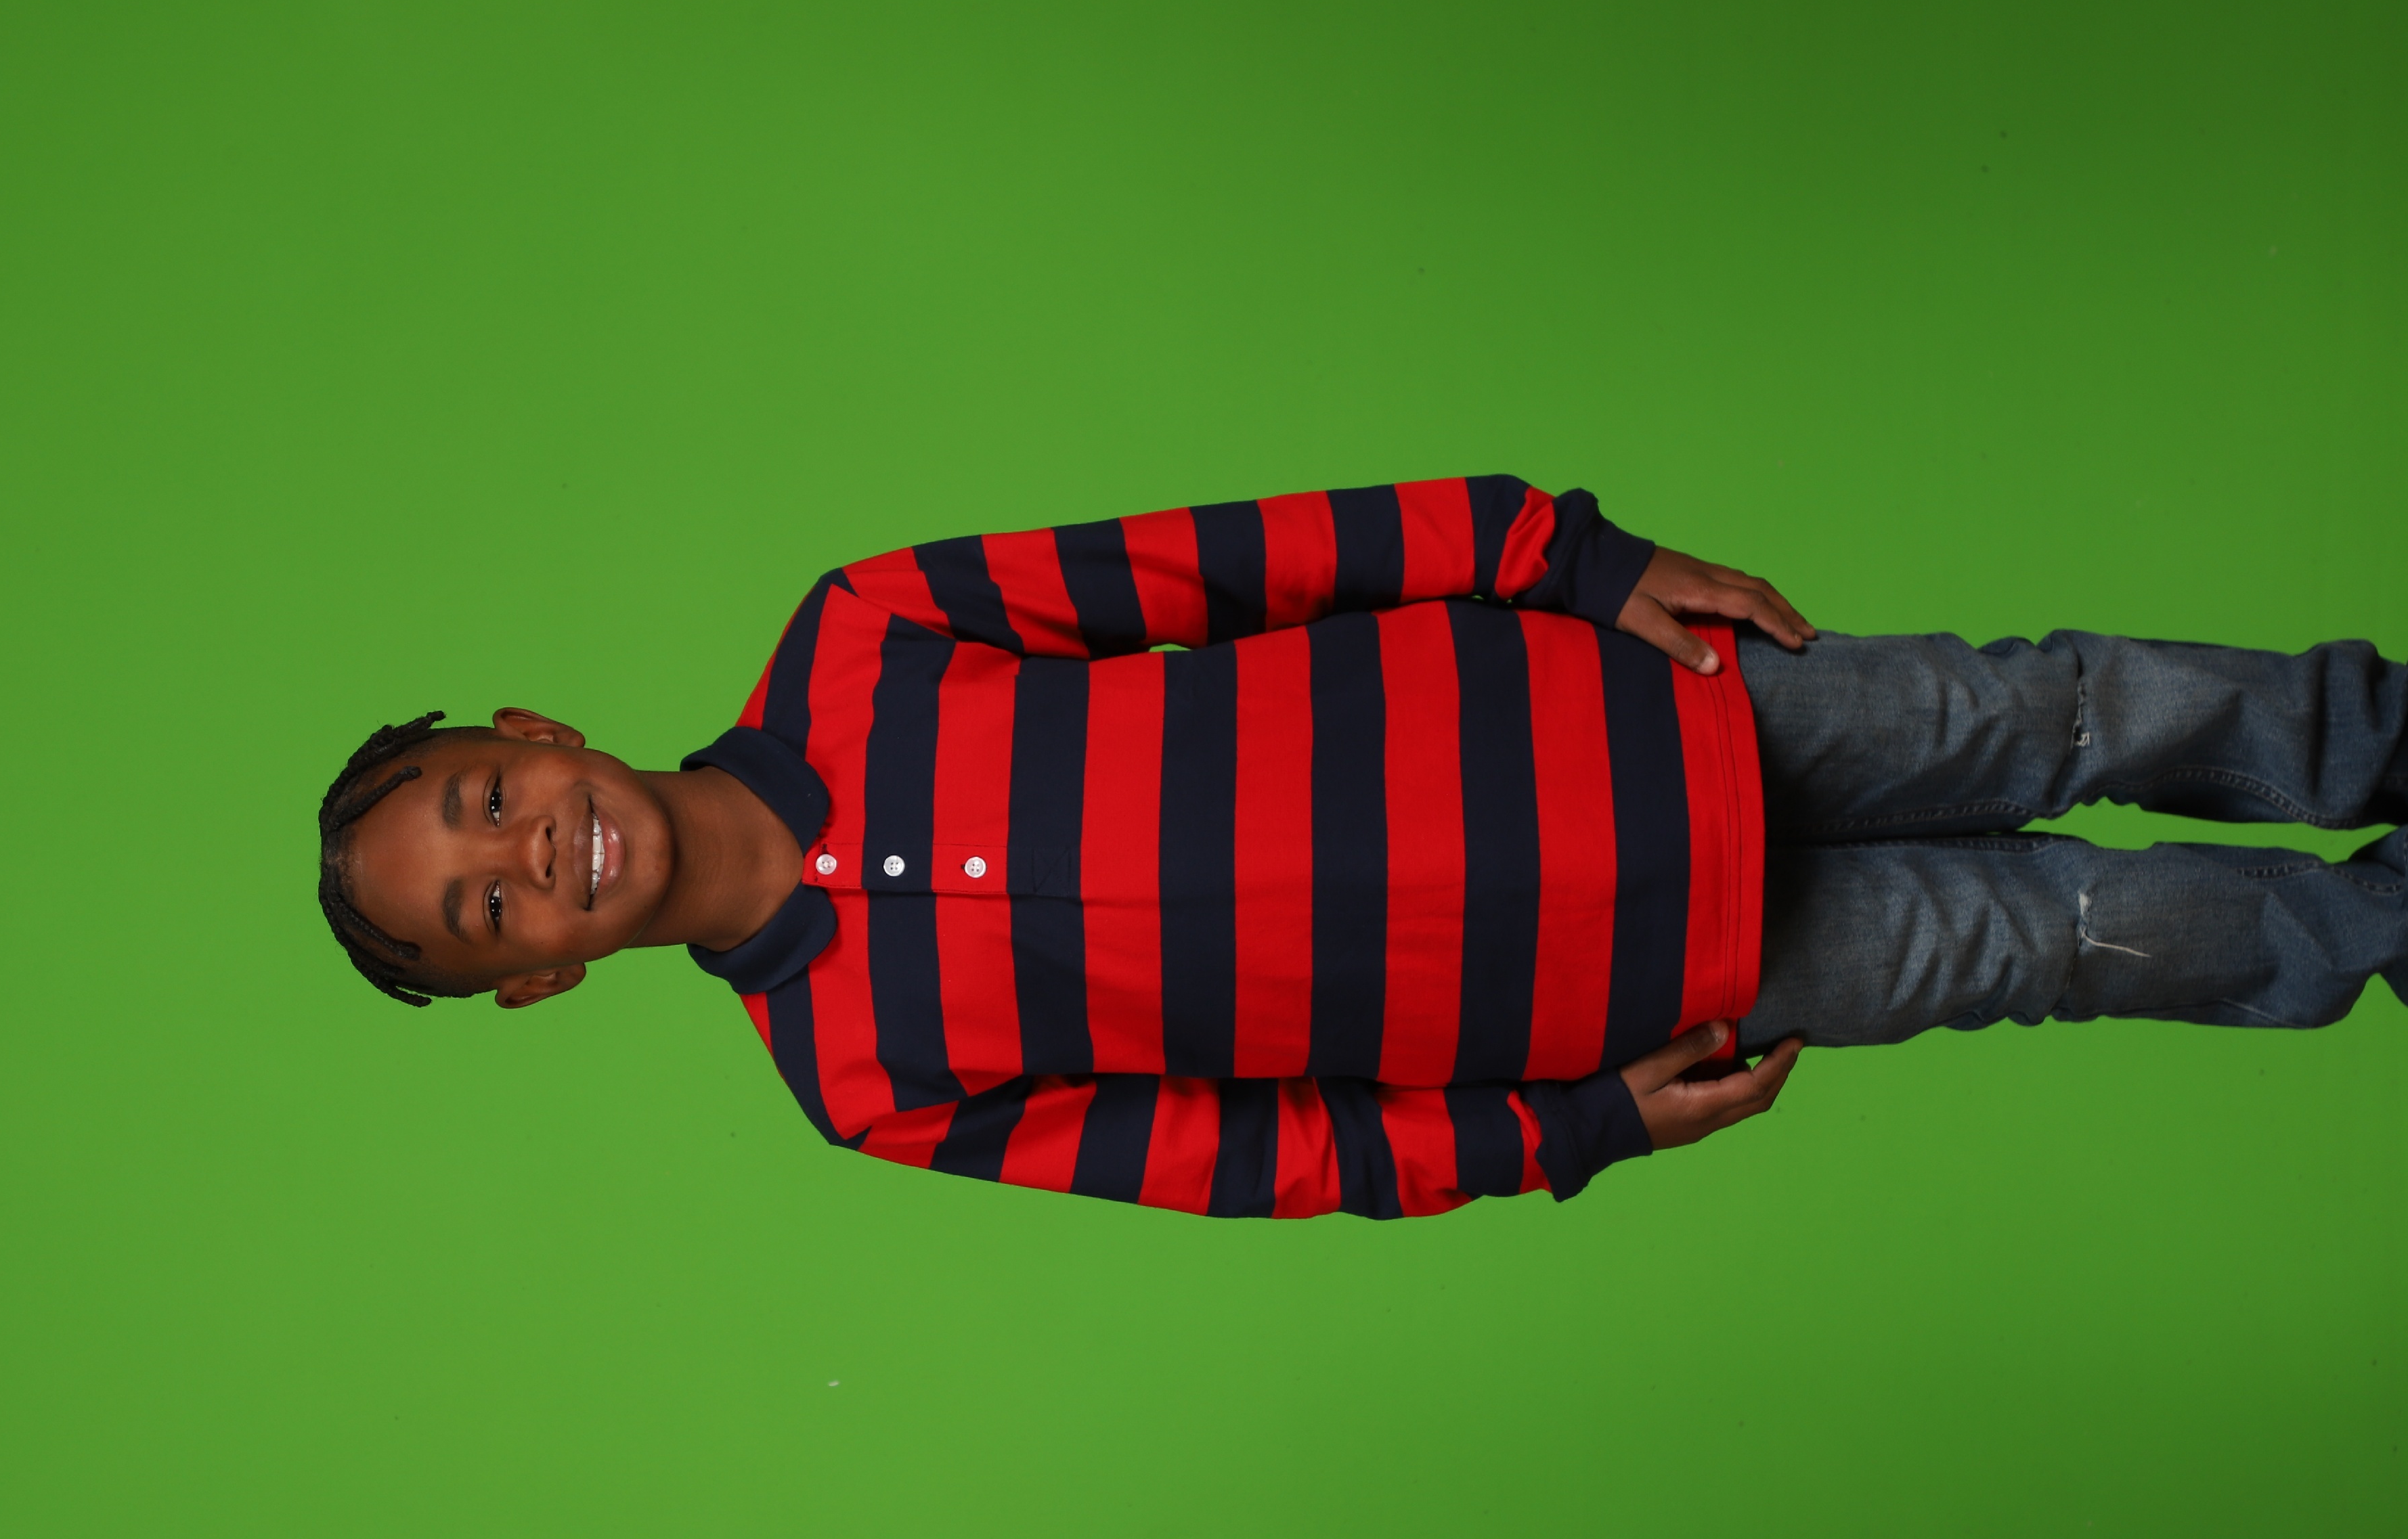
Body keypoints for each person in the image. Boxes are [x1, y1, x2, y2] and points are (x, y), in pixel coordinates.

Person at [312, 475, 2408, 1218]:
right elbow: (1244, 1158)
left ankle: (2371, 735)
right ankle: (2381, 928)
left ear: (536, 735)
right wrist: (1563, 1131)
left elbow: (1224, 561)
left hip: (1624, 707)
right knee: (2060, 941)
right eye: (487, 913)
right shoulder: (862, 1084)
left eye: (489, 804)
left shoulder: (863, 631)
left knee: (2055, 708)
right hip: (1630, 992)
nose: (531, 860)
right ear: (537, 981)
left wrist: (1553, 551)